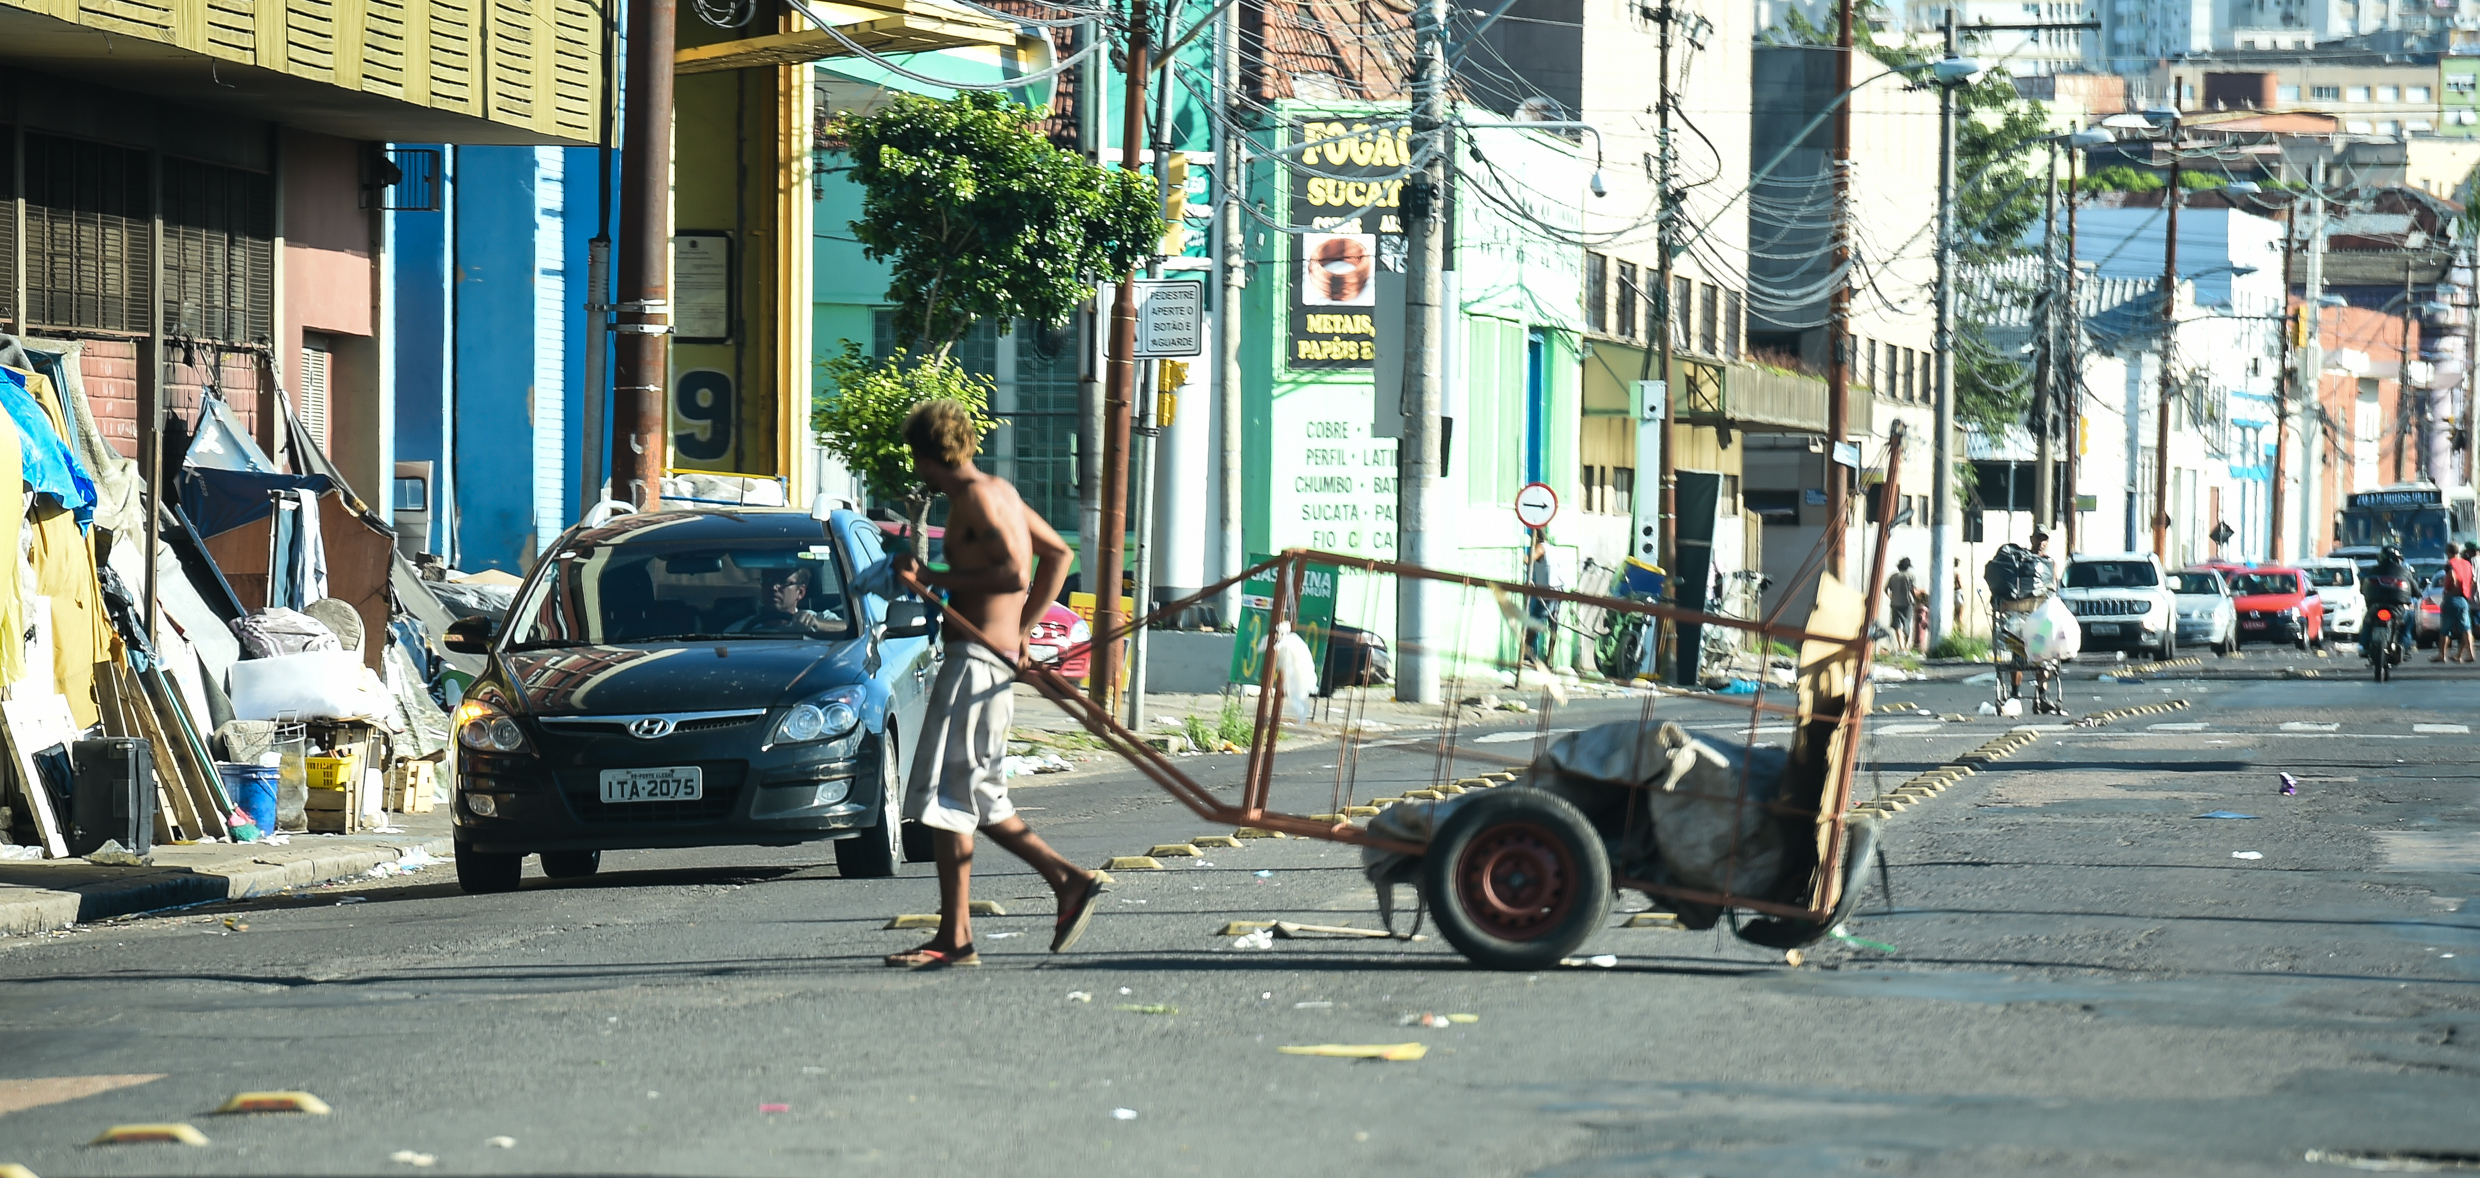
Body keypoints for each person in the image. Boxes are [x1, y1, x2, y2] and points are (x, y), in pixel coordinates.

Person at [883, 400, 1105, 969]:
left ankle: (1057, 885)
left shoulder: (976, 499)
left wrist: (932, 576)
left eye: (917, 455)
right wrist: (1024, 631)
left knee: (952, 799)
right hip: (990, 657)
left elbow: (1013, 571)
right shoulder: (997, 490)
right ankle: (966, 931)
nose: (916, 468)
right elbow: (1057, 553)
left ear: (933, 454)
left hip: (975, 662)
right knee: (970, 798)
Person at [727, 565, 847, 636]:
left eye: (783, 582)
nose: (774, 587)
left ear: (800, 592)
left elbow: (849, 629)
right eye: (768, 580)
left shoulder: (817, 619)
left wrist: (817, 625)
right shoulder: (740, 630)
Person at [2446, 543, 2479, 664]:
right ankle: (2460, 654)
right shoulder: (2469, 563)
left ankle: (2460, 654)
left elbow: (2473, 580)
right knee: (2467, 627)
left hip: (2473, 599)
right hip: (2471, 598)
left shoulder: (2471, 563)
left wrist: (2466, 593)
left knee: (2469, 627)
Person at [1885, 557, 1918, 650]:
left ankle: (1901, 646)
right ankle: (1906, 646)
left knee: (1897, 625)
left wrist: (1891, 596)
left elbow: (1886, 589)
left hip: (1895, 603)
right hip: (1907, 603)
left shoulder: (1893, 576)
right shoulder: (1910, 576)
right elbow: (1913, 591)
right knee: (1907, 624)